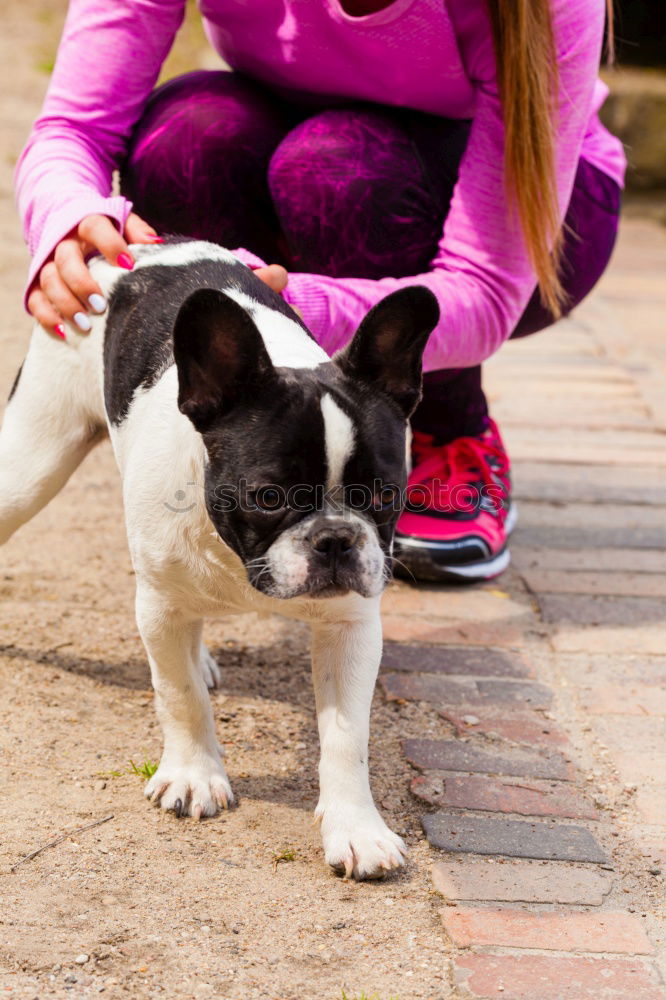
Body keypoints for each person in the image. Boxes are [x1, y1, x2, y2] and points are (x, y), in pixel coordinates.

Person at [15, 0, 625, 583]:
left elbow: (486, 288)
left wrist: (285, 308)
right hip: (292, 134)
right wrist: (67, 215)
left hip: (537, 211)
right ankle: (250, 442)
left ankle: (444, 427)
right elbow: (74, 127)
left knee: (338, 166)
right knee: (190, 140)